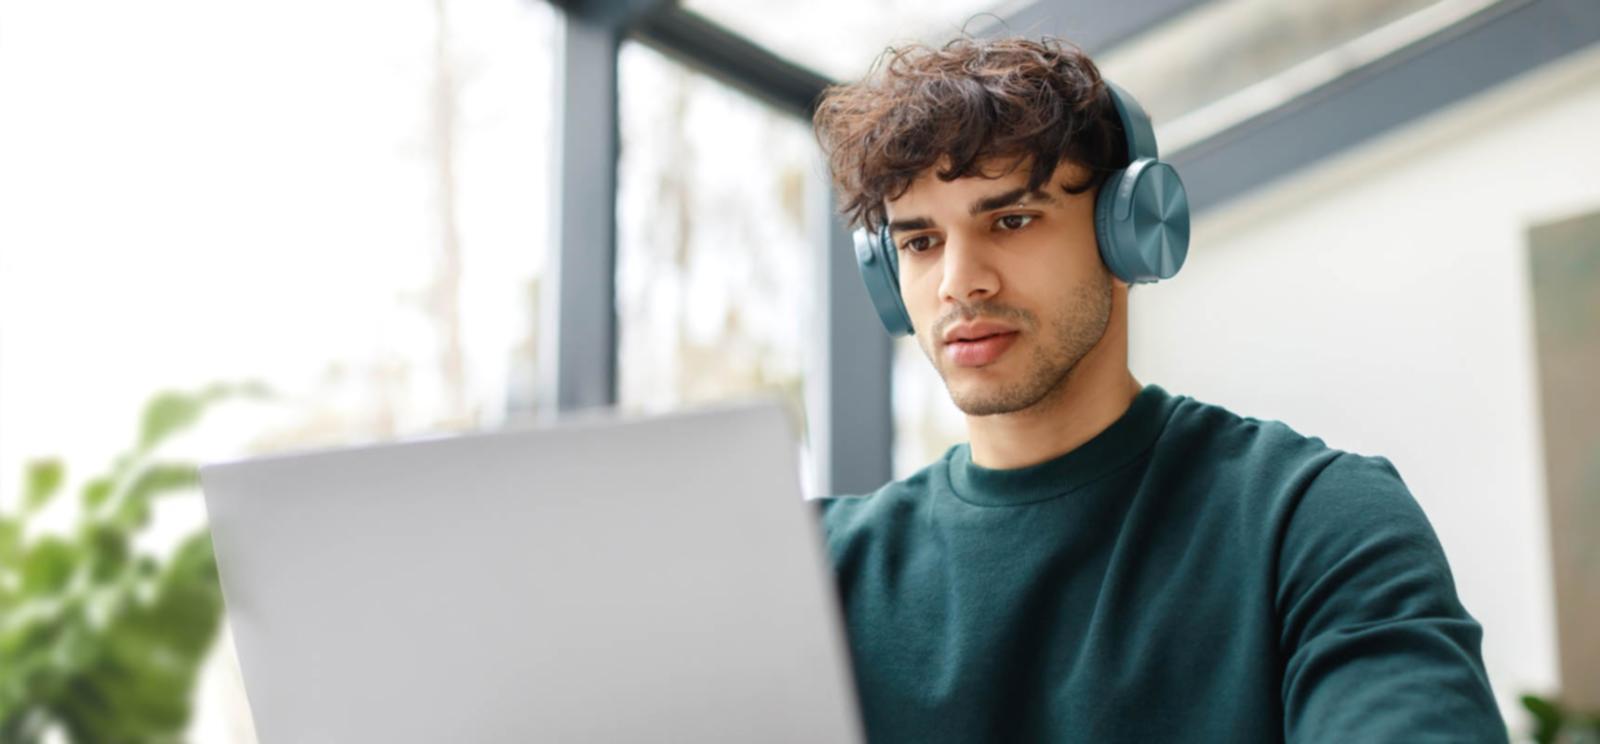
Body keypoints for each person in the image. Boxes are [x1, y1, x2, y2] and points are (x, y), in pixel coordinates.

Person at [809, 35, 1507, 742]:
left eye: (1012, 220)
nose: (960, 283)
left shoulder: (1312, 519)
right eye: (920, 242)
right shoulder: (817, 569)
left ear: (1131, 232)